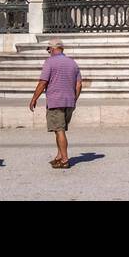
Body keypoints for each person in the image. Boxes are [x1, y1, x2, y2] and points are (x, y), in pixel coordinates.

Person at [29, 39, 82, 168]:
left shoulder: (49, 62)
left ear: (53, 49)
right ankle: (59, 155)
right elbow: (79, 84)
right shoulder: (73, 63)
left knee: (59, 130)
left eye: (48, 49)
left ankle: (64, 159)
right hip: (69, 101)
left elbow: (43, 82)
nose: (48, 52)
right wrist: (74, 98)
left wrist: (34, 98)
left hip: (55, 101)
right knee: (60, 130)